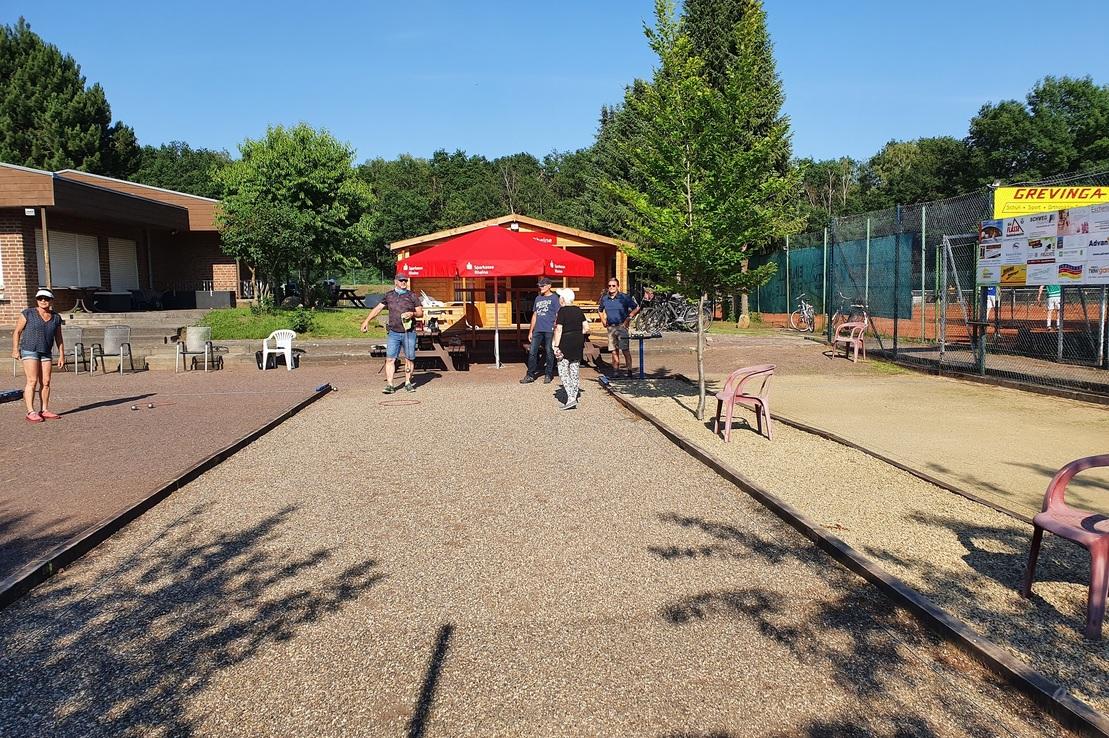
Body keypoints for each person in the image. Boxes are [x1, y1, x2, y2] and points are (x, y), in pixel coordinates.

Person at [360, 274, 423, 393]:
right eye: (401, 280)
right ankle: (390, 385)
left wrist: (412, 314)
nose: (404, 282)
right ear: (395, 282)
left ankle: (408, 382)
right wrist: (366, 321)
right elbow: (377, 309)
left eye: (405, 280)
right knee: (390, 359)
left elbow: (420, 313)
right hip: (393, 332)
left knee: (409, 358)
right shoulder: (389, 295)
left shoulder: (412, 295)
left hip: (409, 332)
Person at [11, 289, 65, 423]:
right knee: (32, 381)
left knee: (46, 382)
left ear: (51, 300)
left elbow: (59, 337)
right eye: (40, 298)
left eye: (46, 298)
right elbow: (17, 332)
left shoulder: (56, 317)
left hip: (46, 351)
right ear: (37, 300)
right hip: (30, 350)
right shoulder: (28, 313)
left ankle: (44, 409)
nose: (43, 301)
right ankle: (31, 411)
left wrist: (61, 355)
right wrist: (15, 350)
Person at [552, 288, 589, 410]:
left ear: (562, 299)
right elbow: (586, 328)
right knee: (574, 369)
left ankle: (571, 397)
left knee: (563, 369)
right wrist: (577, 333)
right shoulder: (578, 310)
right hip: (578, 341)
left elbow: (559, 329)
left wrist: (556, 345)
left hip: (565, 341)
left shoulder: (562, 311)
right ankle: (573, 395)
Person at [521, 277, 560, 384]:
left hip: (549, 329)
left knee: (549, 351)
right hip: (538, 330)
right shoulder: (538, 298)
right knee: (532, 352)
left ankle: (548, 374)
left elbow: (558, 314)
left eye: (542, 286)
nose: (540, 287)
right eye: (539, 286)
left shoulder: (555, 298)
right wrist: (530, 331)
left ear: (549, 286)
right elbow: (535, 315)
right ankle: (530, 375)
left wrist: (556, 327)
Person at [599, 277, 639, 378]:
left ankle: (629, 371)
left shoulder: (624, 297)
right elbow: (600, 310)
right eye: (609, 286)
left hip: (622, 326)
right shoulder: (605, 298)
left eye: (613, 286)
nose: (611, 288)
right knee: (613, 350)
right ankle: (615, 371)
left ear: (617, 286)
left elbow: (637, 307)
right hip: (611, 327)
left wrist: (628, 319)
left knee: (625, 350)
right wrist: (603, 321)